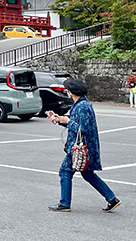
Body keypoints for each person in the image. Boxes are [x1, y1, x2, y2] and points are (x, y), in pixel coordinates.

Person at [46, 78, 120, 213]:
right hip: (84, 147)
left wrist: (68, 122)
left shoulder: (82, 106)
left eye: (67, 90)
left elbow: (83, 129)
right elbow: (74, 123)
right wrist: (59, 120)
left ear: (71, 92)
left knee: (65, 171)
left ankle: (64, 203)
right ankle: (111, 198)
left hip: (79, 148)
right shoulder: (81, 104)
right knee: (87, 173)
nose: (66, 92)